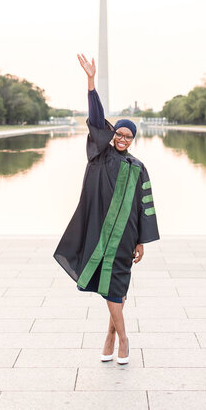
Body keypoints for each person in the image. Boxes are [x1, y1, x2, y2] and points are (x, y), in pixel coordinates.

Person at [53, 53, 160, 365]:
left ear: (133, 139)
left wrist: (141, 240)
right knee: (110, 282)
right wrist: (90, 82)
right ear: (112, 135)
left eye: (128, 135)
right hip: (101, 229)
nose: (123, 138)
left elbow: (145, 208)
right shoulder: (101, 154)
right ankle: (122, 339)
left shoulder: (138, 168)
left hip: (126, 236)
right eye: (119, 134)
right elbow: (96, 118)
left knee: (118, 282)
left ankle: (110, 335)